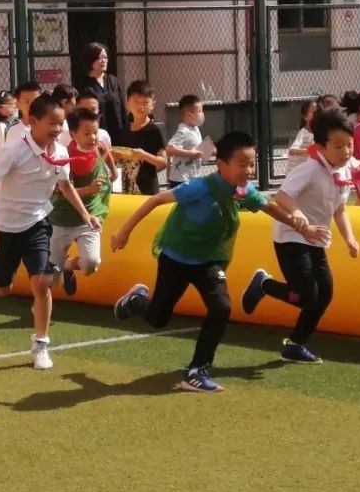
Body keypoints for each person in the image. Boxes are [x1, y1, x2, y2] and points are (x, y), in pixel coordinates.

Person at [110, 130, 316, 393]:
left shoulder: (243, 191)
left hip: (209, 262)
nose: (249, 171)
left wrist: (301, 227)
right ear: (221, 164)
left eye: (251, 164)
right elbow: (156, 199)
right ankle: (137, 300)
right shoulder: (199, 188)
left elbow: (269, 206)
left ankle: (197, 369)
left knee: (221, 307)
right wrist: (123, 232)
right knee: (158, 318)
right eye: (242, 165)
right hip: (176, 257)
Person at [0, 94, 101, 371]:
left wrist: (86, 216)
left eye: (61, 124)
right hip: (3, 228)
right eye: (52, 123)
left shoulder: (59, 154)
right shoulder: (14, 150)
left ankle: (40, 345)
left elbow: (65, 186)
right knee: (3, 288)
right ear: (33, 121)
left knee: (42, 282)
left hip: (37, 225)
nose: (57, 129)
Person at [242, 108, 360, 364]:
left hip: (316, 239)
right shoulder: (310, 169)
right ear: (321, 147)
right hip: (291, 237)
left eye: (349, 145)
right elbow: (282, 196)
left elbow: (340, 209)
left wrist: (350, 239)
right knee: (308, 295)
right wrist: (298, 215)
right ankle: (264, 284)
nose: (346, 151)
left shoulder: (344, 170)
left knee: (324, 294)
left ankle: (295, 346)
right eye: (338, 146)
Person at [49, 109, 113, 296]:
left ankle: (68, 265)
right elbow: (61, 192)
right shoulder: (65, 157)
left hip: (89, 218)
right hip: (62, 219)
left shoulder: (100, 148)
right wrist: (90, 189)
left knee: (91, 264)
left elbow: (111, 168)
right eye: (87, 133)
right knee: (51, 277)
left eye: (95, 132)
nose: (93, 137)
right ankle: (62, 268)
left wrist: (110, 178)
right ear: (73, 134)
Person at [115, 80, 166, 195]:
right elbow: (119, 162)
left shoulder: (154, 130)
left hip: (148, 190)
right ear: (127, 104)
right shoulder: (124, 130)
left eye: (145, 102)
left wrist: (144, 155)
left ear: (152, 105)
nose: (141, 106)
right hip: (127, 189)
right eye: (136, 102)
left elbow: (163, 162)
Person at [74, 42, 128, 141]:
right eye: (99, 58)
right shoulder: (83, 85)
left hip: (118, 134)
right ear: (90, 60)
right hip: (97, 136)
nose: (103, 61)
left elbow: (122, 108)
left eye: (105, 57)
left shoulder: (113, 81)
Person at [166, 94, 207, 189]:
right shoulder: (183, 131)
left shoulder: (195, 128)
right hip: (181, 180)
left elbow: (197, 147)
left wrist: (214, 151)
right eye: (199, 111)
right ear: (189, 115)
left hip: (193, 177)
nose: (202, 114)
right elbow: (169, 148)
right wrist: (189, 153)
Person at [2, 81, 43, 148]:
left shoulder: (48, 127)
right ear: (18, 104)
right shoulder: (12, 130)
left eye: (35, 101)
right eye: (27, 101)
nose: (31, 105)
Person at [287, 99, 318, 171]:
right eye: (313, 111)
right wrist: (308, 151)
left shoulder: (319, 133)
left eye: (317, 112)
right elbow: (291, 151)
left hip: (307, 170)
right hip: (295, 172)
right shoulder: (303, 133)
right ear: (305, 117)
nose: (316, 114)